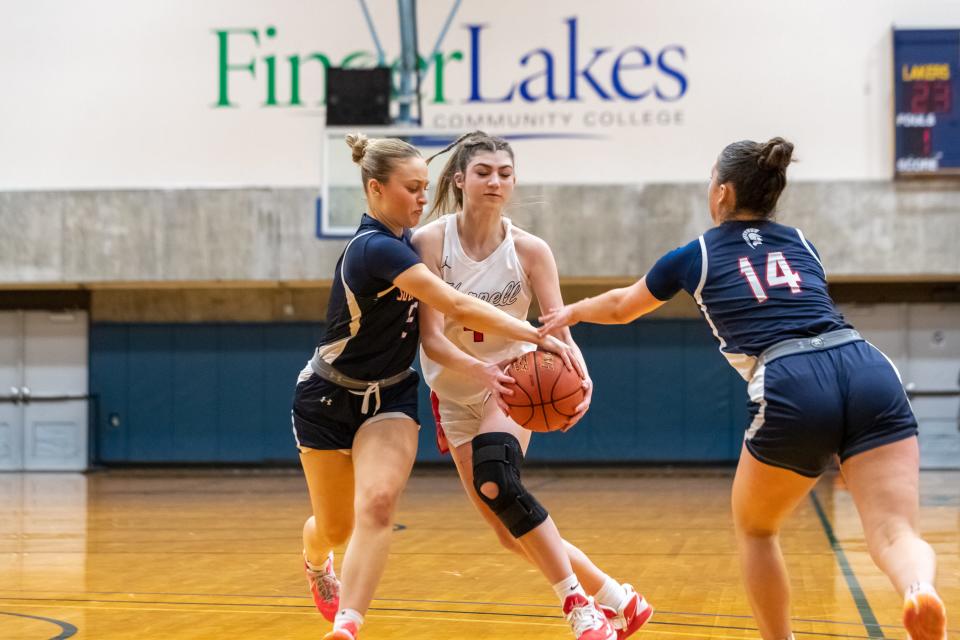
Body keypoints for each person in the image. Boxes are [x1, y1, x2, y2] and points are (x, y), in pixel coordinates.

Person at [539, 137, 947, 640]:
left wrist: (573, 311)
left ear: (722, 193)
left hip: (790, 376)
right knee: (894, 531)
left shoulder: (695, 255)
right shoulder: (801, 242)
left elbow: (624, 306)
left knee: (757, 529)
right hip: (866, 366)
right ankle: (918, 590)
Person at [293, 133, 581, 640]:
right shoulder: (375, 249)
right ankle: (317, 559)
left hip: (391, 396)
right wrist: (537, 335)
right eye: (411, 188)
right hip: (326, 395)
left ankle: (347, 625)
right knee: (334, 527)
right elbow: (458, 306)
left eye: (426, 188)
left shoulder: (416, 241)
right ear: (376, 189)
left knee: (378, 505)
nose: (423, 199)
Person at [412, 131, 653, 640]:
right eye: (483, 172)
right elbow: (431, 340)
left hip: (517, 384)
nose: (495, 181)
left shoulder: (530, 250)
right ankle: (618, 598)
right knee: (506, 531)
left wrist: (582, 377)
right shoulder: (430, 243)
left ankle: (577, 606)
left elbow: (557, 328)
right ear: (459, 180)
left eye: (504, 173)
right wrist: (478, 372)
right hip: (456, 389)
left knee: (497, 479)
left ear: (514, 181)